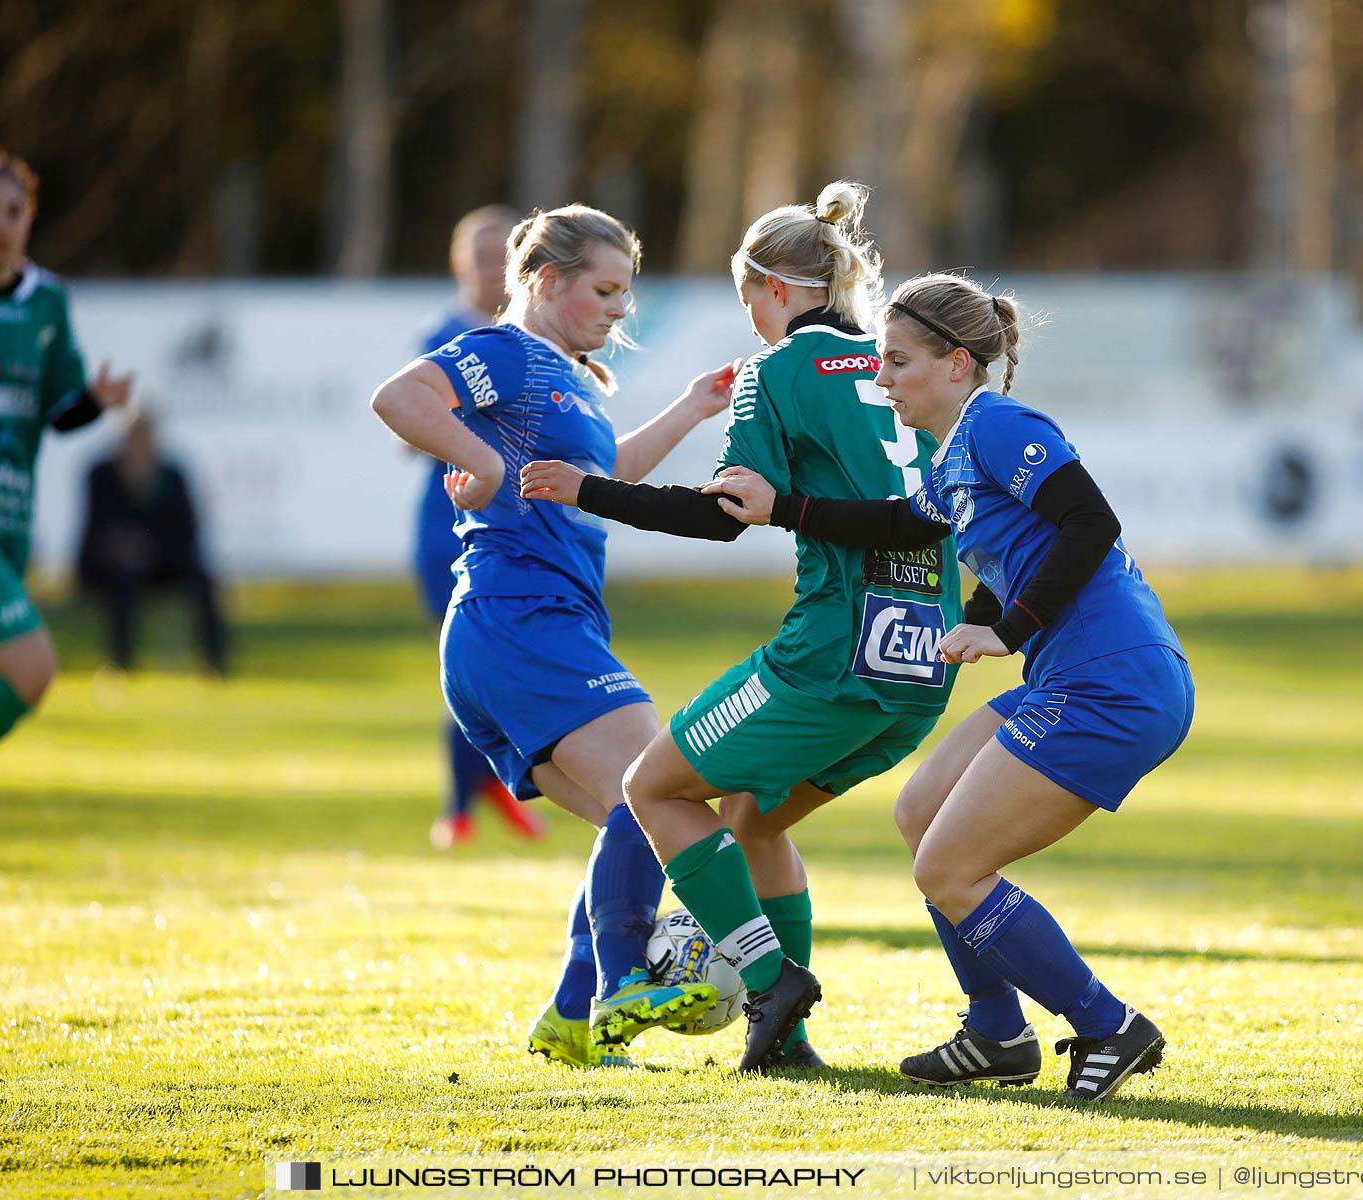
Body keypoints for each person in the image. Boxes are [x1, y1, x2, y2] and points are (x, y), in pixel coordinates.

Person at [705, 272, 1195, 1101]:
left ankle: (1109, 1026)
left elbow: (1090, 524)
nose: (881, 377)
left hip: (1114, 683)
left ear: (958, 363)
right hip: (1075, 678)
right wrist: (780, 508)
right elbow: (900, 524)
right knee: (920, 811)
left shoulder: (1000, 426)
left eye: (895, 361)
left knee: (950, 869)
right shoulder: (955, 452)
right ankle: (997, 1032)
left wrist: (1005, 629)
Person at [518, 181, 969, 1073]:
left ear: (769, 287)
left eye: (745, 303)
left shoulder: (778, 370)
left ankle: (771, 981)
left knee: (654, 791)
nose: (750, 325)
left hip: (831, 652)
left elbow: (727, 515)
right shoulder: (896, 360)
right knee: (753, 819)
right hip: (925, 658)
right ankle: (786, 1045)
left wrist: (591, 492)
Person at [370, 204, 737, 1068]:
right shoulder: (511, 353)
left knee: (636, 815)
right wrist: (486, 463)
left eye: (626, 295)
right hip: (522, 618)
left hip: (521, 629)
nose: (619, 310)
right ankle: (619, 985)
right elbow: (399, 396)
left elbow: (605, 476)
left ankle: (574, 1017)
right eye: (605, 290)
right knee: (662, 796)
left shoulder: (566, 377)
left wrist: (691, 407)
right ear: (543, 281)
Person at [0, 139, 133, 769]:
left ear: (29, 218)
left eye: (14, 211)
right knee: (32, 668)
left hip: (7, 521)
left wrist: (93, 400)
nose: (1, 225)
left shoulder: (48, 302)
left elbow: (60, 413)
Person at [414, 204, 546, 849]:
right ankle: (461, 805)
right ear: (458, 264)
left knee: (502, 669)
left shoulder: (531, 343)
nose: (493, 270)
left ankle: (489, 785)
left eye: (504, 256)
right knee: (475, 664)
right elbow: (411, 416)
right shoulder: (446, 336)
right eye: (481, 257)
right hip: (450, 526)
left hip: (517, 526)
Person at [76, 409, 229, 675]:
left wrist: (151, 546)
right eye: (133, 436)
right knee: (123, 578)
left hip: (163, 563)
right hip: (113, 567)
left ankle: (215, 662)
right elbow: (96, 531)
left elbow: (187, 530)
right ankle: (121, 663)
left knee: (203, 579)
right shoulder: (101, 474)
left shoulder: (172, 475)